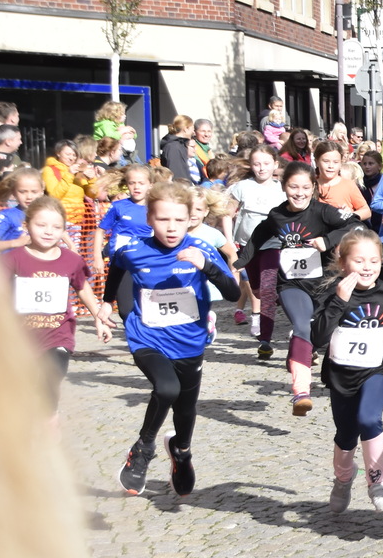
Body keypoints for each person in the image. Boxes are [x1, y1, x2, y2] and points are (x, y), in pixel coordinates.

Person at [113, 180, 240, 496]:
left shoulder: (202, 249)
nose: (171, 228)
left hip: (189, 341)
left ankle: (181, 452)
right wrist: (112, 307)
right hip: (147, 337)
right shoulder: (132, 249)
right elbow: (117, 273)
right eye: (163, 219)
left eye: (179, 220)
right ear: (149, 219)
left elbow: (234, 292)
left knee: (186, 406)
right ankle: (143, 447)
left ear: (191, 219)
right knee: (166, 388)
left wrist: (208, 266)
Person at [311, 229, 383, 514]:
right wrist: (339, 299)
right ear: (342, 263)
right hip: (342, 374)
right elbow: (317, 336)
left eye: (373, 261)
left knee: (368, 417)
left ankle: (377, 482)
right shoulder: (332, 291)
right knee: (346, 434)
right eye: (359, 261)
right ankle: (343, 480)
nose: (367, 268)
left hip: (381, 368)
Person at [234, 161, 353, 413]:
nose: (299, 193)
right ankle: (301, 392)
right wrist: (241, 261)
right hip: (292, 283)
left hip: (326, 284)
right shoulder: (277, 215)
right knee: (301, 326)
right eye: (293, 187)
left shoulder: (323, 212)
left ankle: (304, 356)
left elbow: (355, 225)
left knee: (323, 334)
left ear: (314, 188)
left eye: (305, 187)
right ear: (284, 187)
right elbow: (259, 235)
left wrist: (328, 239)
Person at [0, 196, 112, 415]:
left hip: (58, 334)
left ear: (64, 230)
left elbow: (82, 288)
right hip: (21, 337)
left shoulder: (71, 260)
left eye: (56, 227)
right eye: (41, 225)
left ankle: (49, 419)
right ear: (26, 226)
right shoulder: (12, 259)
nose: (48, 231)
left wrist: (99, 317)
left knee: (53, 375)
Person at [226, 145, 284, 332]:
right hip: (247, 245)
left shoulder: (282, 189)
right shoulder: (242, 187)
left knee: (268, 285)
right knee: (256, 287)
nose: (262, 168)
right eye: (257, 164)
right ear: (250, 165)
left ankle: (263, 323)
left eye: (266, 163)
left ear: (275, 164)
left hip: (273, 243)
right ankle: (259, 312)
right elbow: (227, 214)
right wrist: (229, 240)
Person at [93, 165, 154, 312]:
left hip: (147, 262)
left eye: (141, 183)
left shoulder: (155, 207)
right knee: (125, 311)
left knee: (147, 308)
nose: (136, 187)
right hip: (121, 264)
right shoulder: (119, 206)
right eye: (132, 183)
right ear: (127, 185)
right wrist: (97, 257)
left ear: (150, 185)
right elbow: (100, 231)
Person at [0, 167, 45, 252]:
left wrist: (70, 245)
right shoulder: (8, 216)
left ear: (41, 191)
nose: (29, 197)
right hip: (8, 263)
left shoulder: (47, 214)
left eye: (34, 192)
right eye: (22, 192)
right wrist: (15, 243)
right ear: (14, 193)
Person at [313, 140, 371, 222]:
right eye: (326, 161)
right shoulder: (310, 185)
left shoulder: (348, 185)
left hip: (342, 232)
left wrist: (349, 215)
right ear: (316, 162)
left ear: (341, 163)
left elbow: (366, 211)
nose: (331, 166)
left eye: (335, 162)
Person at [159, 115, 200, 183]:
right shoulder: (173, 147)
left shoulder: (179, 145)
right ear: (185, 129)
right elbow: (177, 173)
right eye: (192, 129)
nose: (194, 132)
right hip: (180, 189)